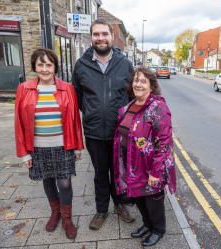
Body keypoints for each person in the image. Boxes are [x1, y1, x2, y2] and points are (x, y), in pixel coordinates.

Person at [72, 19, 135, 231]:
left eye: (104, 34)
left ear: (111, 36)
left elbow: (133, 97)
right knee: (100, 173)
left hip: (120, 133)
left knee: (118, 172)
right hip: (94, 132)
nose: (101, 38)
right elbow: (78, 98)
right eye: (96, 34)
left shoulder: (124, 64)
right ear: (91, 37)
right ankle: (101, 209)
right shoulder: (81, 65)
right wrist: (93, 113)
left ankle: (119, 205)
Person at [15, 48, 84, 239]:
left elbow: (75, 120)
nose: (45, 69)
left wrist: (78, 147)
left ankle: (67, 218)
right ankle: (55, 213)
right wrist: (24, 153)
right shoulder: (24, 88)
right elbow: (19, 123)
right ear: (34, 67)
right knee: (47, 180)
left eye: (49, 65)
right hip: (38, 146)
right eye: (40, 64)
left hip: (63, 145)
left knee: (64, 182)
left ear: (55, 67)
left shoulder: (67, 88)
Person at [113, 67, 176, 246]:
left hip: (151, 166)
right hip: (132, 163)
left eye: (143, 81)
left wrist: (156, 172)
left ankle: (158, 229)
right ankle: (147, 224)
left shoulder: (158, 108)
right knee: (139, 197)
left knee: (153, 200)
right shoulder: (130, 105)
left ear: (151, 85)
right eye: (135, 80)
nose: (138, 84)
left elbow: (164, 142)